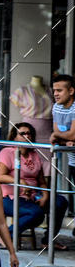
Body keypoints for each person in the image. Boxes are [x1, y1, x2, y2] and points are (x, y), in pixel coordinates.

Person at [0, 122, 69, 249]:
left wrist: (45, 195)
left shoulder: (34, 154)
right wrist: (21, 182)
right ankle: (5, 236)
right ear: (14, 137)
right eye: (22, 133)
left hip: (33, 196)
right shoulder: (7, 152)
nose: (26, 136)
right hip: (9, 198)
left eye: (29, 133)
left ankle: (48, 241)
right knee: (36, 214)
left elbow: (41, 181)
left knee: (60, 202)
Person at [51, 73, 75, 213]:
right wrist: (64, 139)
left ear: (71, 91)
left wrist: (58, 136)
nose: (55, 94)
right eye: (54, 90)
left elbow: (72, 134)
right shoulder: (56, 107)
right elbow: (58, 139)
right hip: (72, 161)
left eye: (59, 90)